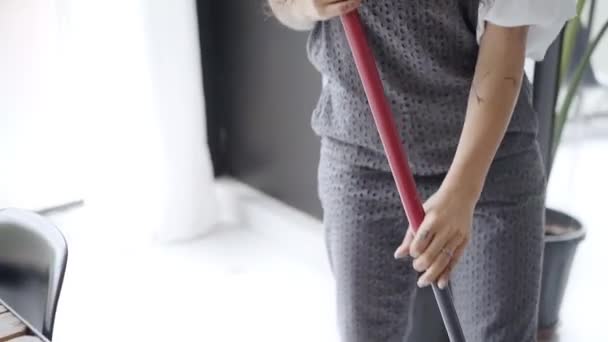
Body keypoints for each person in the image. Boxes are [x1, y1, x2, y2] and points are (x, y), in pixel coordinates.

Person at [267, 0, 575, 341]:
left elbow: (506, 45)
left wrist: (462, 192)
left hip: (490, 163)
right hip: (361, 159)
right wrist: (307, 5)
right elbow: (285, 6)